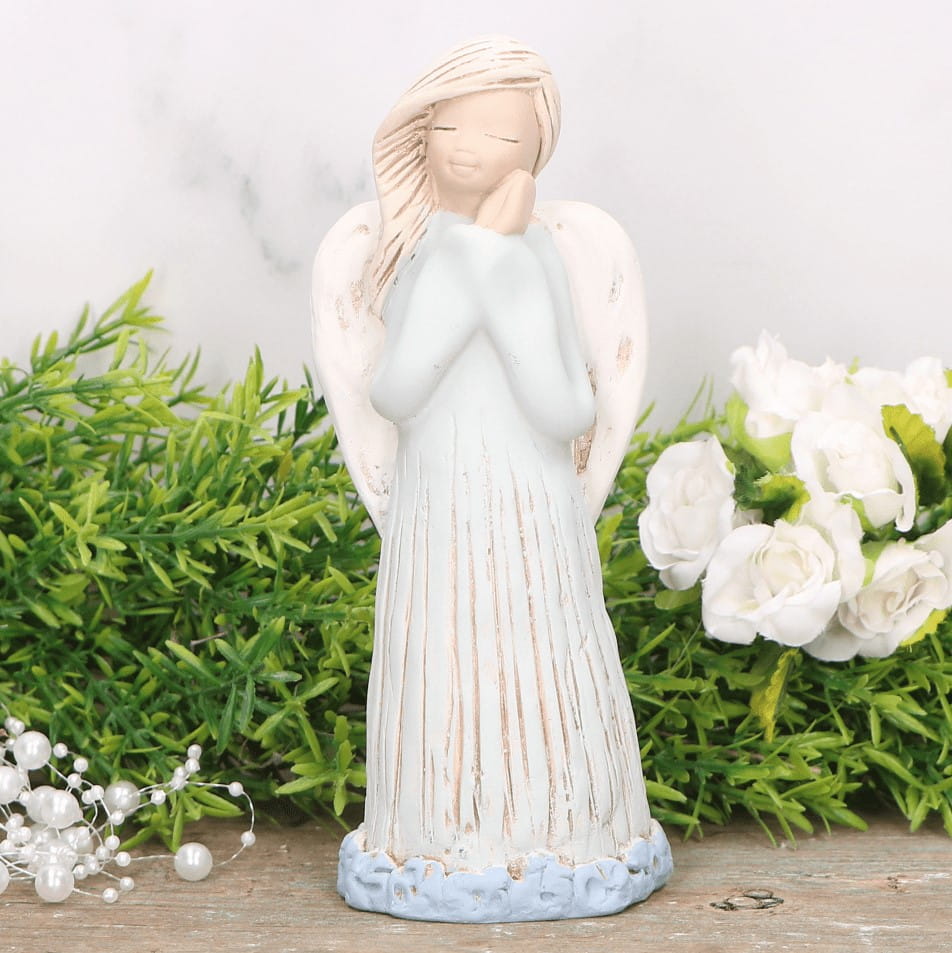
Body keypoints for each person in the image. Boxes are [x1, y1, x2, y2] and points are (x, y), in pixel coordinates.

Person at [312, 36, 671, 922]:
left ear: (535, 152)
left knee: (535, 666)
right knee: (444, 665)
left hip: (523, 505)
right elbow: (393, 393)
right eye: (448, 126)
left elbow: (567, 408)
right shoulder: (406, 249)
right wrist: (473, 268)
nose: (469, 148)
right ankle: (436, 839)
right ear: (418, 132)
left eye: (500, 136)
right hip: (440, 504)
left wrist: (490, 273)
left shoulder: (536, 252)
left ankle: (572, 837)